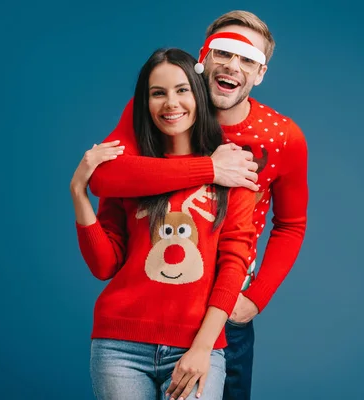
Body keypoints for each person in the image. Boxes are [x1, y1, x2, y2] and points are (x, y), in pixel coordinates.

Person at [88, 10, 309, 400]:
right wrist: (209, 168)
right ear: (202, 58)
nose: (232, 66)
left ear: (260, 74)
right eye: (224, 52)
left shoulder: (283, 137)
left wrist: (255, 299)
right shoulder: (164, 110)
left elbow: (290, 224)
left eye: (247, 59)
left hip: (225, 303)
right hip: (154, 304)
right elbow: (105, 178)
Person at [70, 48, 256, 400]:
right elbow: (104, 264)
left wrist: (204, 348)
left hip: (196, 346)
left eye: (182, 89)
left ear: (199, 95)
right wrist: (78, 193)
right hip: (119, 348)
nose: (171, 103)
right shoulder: (131, 177)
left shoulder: (234, 169)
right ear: (146, 102)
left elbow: (233, 265)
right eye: (158, 93)